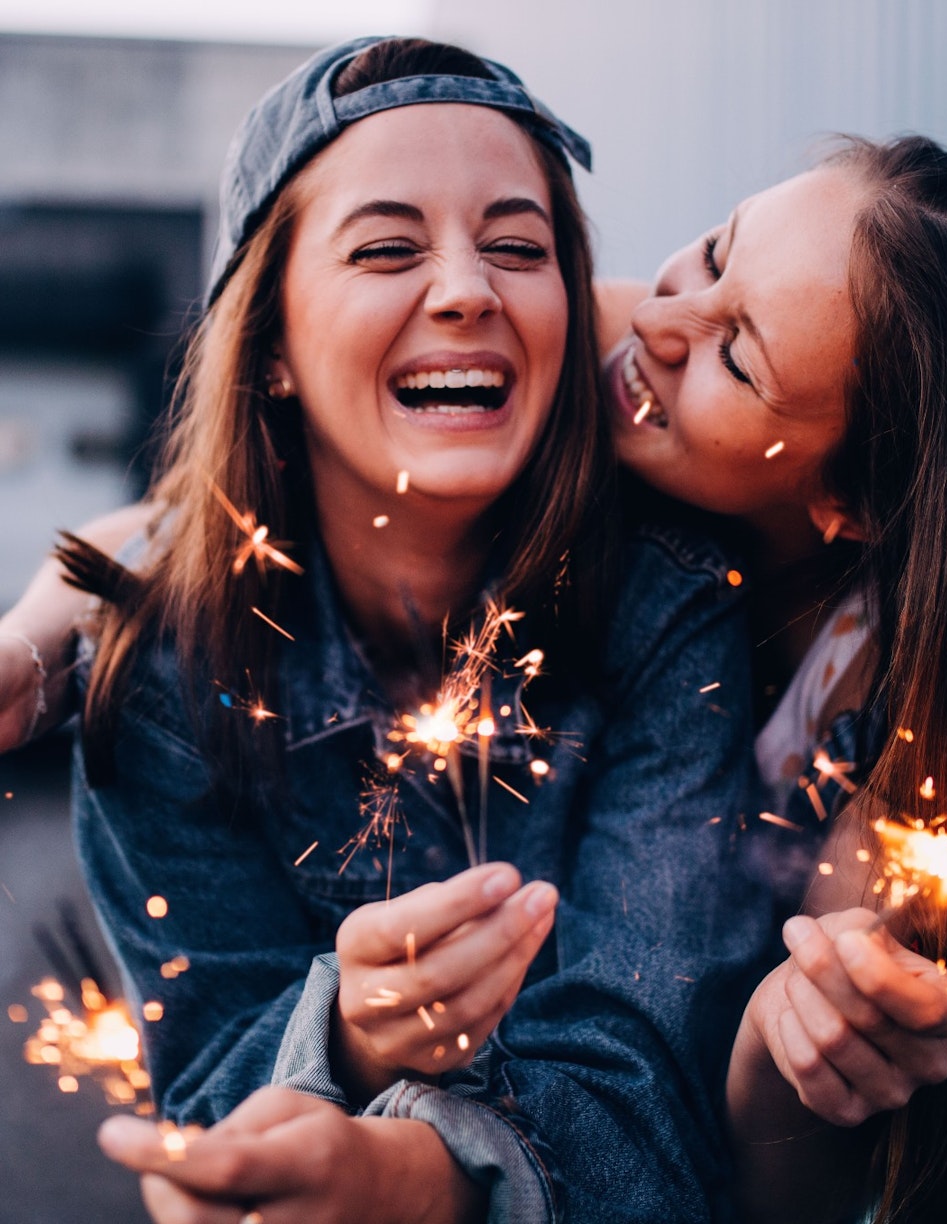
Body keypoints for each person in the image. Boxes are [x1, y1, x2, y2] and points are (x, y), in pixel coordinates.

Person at [7, 36, 766, 1224]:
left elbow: (660, 1104)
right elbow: (209, 1102)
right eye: (387, 249)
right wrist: (346, 1038)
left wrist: (419, 1183)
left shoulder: (671, 610)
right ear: (268, 350)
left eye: (520, 248)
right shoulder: (161, 675)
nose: (469, 289)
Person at [598, 136, 947, 1223]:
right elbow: (211, 512)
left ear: (851, 503)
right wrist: (54, 633)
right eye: (715, 250)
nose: (660, 322)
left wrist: (789, 1040)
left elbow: (787, 1197)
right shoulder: (621, 342)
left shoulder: (897, 759)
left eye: (739, 360)